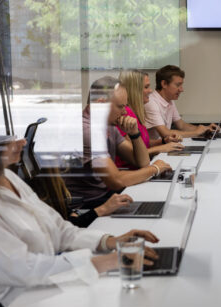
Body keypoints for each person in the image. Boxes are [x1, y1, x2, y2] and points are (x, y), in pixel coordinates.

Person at [0, 138, 160, 307]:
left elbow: (58, 230)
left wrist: (110, 242)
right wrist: (107, 262)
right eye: (12, 138)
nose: (23, 142)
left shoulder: (8, 179)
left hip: (34, 294)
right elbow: (22, 268)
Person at [65, 76, 171, 209]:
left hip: (104, 196)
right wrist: (155, 169)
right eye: (121, 106)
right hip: (87, 205)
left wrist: (134, 134)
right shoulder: (87, 131)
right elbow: (116, 180)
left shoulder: (108, 124)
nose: (125, 112)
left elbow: (142, 162)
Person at [116, 69, 184, 169]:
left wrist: (163, 141)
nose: (151, 91)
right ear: (134, 90)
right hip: (129, 170)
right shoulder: (125, 113)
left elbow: (143, 143)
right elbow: (134, 153)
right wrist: (161, 148)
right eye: (146, 87)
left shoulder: (136, 111)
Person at [143, 65, 218, 140]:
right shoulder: (151, 102)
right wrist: (195, 133)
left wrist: (205, 129)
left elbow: (181, 125)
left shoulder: (169, 100)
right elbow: (165, 133)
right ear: (164, 84)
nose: (181, 89)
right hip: (156, 149)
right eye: (178, 85)